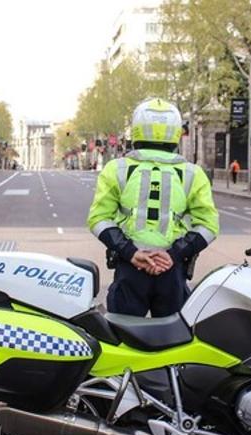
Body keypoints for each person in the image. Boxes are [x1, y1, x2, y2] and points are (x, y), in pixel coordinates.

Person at [88, 97, 219, 317]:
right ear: (176, 131)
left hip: (130, 270)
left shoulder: (116, 169)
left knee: (123, 342)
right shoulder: (192, 173)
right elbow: (209, 226)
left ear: (136, 130)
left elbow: (98, 219)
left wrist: (131, 253)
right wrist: (173, 255)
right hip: (172, 273)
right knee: (175, 344)